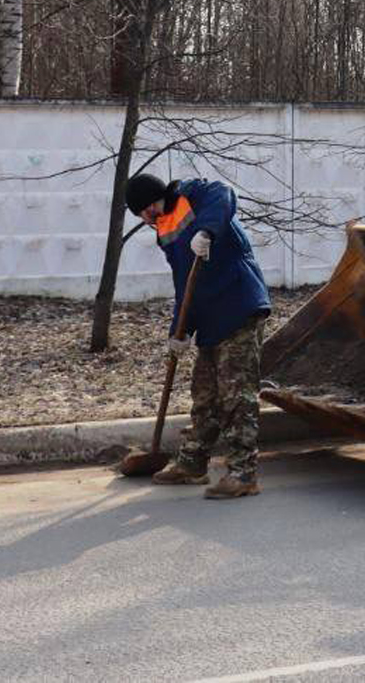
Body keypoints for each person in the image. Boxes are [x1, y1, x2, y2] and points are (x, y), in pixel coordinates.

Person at [125, 171, 272, 498]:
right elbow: (185, 284)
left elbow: (224, 193)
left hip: (239, 304)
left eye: (143, 211)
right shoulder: (164, 229)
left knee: (237, 394)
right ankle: (193, 463)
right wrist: (180, 330)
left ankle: (243, 473)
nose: (145, 218)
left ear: (151, 200)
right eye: (140, 216)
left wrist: (206, 230)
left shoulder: (191, 193)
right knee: (204, 393)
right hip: (210, 317)